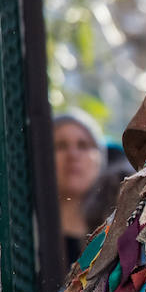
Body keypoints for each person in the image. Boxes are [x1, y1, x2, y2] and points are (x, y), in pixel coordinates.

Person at [52, 111, 105, 265]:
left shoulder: (115, 235)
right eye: (60, 146)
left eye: (83, 145)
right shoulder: (25, 236)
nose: (73, 155)